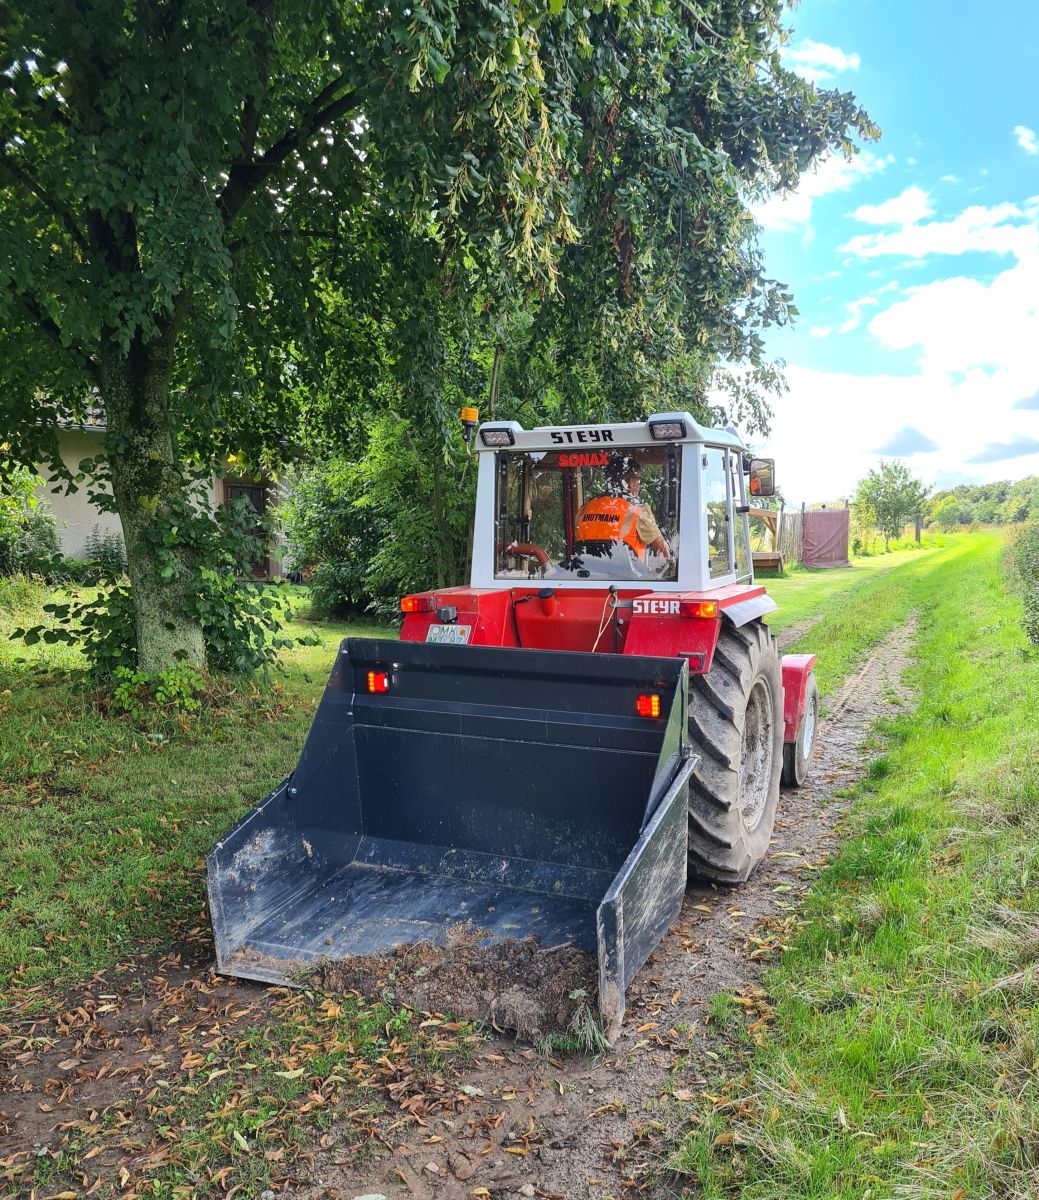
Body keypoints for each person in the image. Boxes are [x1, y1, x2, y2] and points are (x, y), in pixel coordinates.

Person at [575, 456, 671, 561]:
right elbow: (663, 552)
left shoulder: (585, 508)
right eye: (638, 480)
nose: (639, 486)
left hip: (586, 573)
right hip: (628, 575)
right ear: (628, 482)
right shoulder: (637, 510)